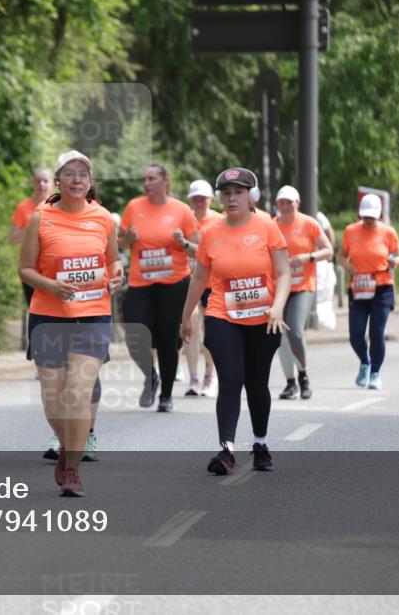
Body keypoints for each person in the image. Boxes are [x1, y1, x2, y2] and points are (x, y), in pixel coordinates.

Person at [19, 150, 123, 496]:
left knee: (78, 394)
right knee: (54, 400)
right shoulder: (40, 218)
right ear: (58, 181)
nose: (77, 180)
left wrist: (117, 275)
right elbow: (25, 269)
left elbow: (113, 261)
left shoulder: (103, 217)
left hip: (92, 316)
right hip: (48, 317)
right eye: (70, 174)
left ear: (90, 182)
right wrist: (51, 286)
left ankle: (72, 470)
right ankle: (68, 446)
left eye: (83, 174)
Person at [180, 167, 290, 475]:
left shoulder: (267, 226)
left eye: (239, 192)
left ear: (251, 196)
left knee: (257, 382)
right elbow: (199, 277)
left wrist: (277, 307)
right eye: (226, 193)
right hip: (222, 314)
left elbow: (284, 272)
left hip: (264, 318)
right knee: (230, 380)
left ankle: (260, 443)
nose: (232, 199)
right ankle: (226, 450)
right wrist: (186, 316)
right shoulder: (211, 233)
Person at [119, 163, 200, 412]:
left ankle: (166, 395)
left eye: (152, 178)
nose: (146, 183)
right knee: (134, 333)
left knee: (167, 340)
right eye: (144, 179)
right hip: (141, 284)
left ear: (165, 181)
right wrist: (128, 239)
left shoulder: (181, 210)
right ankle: (150, 375)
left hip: (174, 284)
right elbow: (119, 244)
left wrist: (183, 243)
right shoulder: (134, 207)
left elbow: (199, 250)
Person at [339, 194, 399, 391]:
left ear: (379, 215)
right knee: (355, 334)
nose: (368, 221)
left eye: (372, 217)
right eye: (365, 216)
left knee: (376, 333)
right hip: (358, 287)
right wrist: (347, 266)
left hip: (382, 286)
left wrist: (394, 261)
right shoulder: (351, 231)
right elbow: (341, 256)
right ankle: (365, 362)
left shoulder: (388, 232)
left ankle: (375, 372)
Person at [273, 185, 333, 400]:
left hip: (303, 286)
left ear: (297, 203)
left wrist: (307, 258)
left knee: (295, 330)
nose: (285, 206)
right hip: (279, 287)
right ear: (277, 204)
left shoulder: (309, 223)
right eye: (282, 202)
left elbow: (329, 251)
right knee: (279, 334)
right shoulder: (271, 225)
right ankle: (290, 383)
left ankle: (303, 376)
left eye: (289, 202)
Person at [183, 179, 220, 396]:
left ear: (211, 199)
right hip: (188, 279)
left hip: (212, 281)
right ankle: (193, 378)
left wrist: (186, 244)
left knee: (209, 330)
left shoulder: (218, 221)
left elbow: (210, 251)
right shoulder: (184, 218)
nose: (199, 202)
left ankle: (209, 375)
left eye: (203, 198)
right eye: (195, 198)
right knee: (191, 323)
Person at [9, 166, 54, 305]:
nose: (42, 184)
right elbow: (13, 239)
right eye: (38, 181)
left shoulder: (59, 206)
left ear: (52, 182)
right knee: (35, 307)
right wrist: (31, 226)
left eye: (45, 181)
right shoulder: (23, 208)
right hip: (31, 268)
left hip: (54, 266)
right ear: (32, 183)